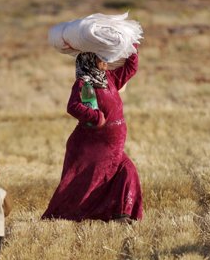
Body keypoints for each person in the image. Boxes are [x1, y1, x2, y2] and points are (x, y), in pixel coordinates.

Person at [42, 46, 143, 223]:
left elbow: (130, 68)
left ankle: (121, 214)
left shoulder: (109, 78)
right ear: (89, 61)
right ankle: (61, 217)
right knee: (85, 186)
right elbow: (73, 106)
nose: (105, 60)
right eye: (100, 57)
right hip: (93, 145)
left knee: (127, 170)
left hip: (112, 146)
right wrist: (96, 117)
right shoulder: (83, 83)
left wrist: (131, 48)